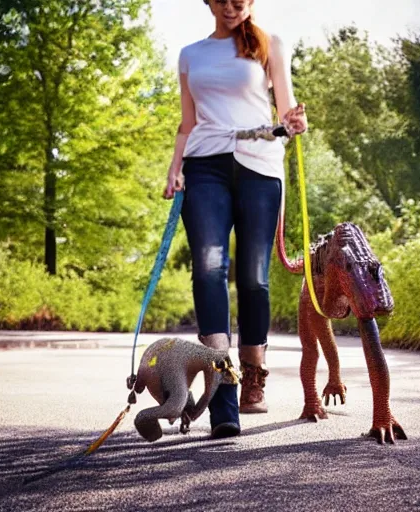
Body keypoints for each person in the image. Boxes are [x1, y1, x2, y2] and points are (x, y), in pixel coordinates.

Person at [163, 0, 308, 439]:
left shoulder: (269, 45)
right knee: (208, 268)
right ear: (208, 2)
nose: (231, 5)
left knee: (253, 278)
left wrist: (294, 121)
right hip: (204, 166)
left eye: (240, 0)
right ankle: (224, 395)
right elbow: (188, 123)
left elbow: (284, 114)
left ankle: (254, 371)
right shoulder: (191, 54)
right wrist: (175, 167)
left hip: (259, 167)